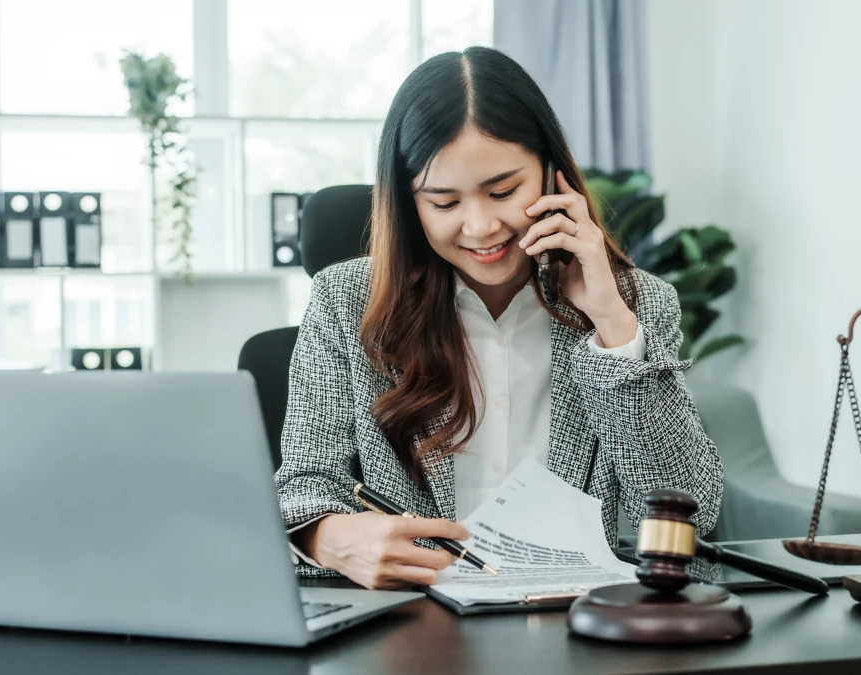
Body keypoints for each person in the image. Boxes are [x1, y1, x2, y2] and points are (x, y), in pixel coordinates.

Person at [275, 46, 723, 590]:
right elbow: (303, 484)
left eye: (503, 191)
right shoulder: (345, 301)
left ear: (553, 173)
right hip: (411, 624)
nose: (482, 226)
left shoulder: (636, 303)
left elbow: (690, 512)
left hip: (569, 620)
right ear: (408, 204)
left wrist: (611, 322)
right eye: (444, 203)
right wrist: (334, 537)